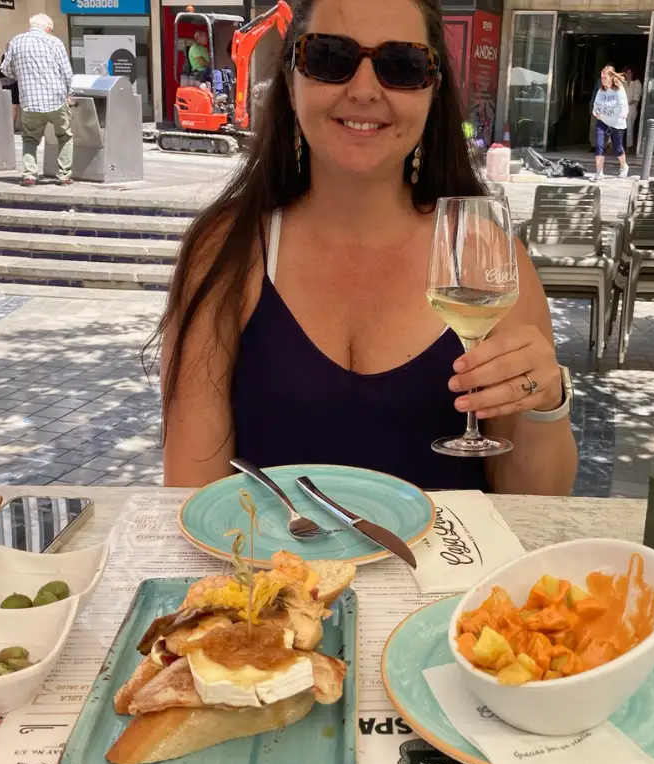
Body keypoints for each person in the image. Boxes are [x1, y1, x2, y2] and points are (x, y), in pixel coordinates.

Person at [151, 0, 577, 495]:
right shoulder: (224, 252)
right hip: (267, 571)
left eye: (403, 65)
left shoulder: (486, 255)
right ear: (290, 82)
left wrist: (547, 405)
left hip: (452, 573)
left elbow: (536, 505)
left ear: (433, 92)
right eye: (329, 58)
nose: (364, 90)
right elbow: (190, 494)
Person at [1, 14, 75, 187]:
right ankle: (64, 176)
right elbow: (66, 72)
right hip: (56, 99)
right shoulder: (54, 42)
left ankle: (29, 175)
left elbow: (5, 69)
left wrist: (23, 76)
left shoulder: (16, 41)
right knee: (64, 136)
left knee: (29, 139)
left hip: (30, 100)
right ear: (47, 28)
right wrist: (69, 93)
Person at [592, 65, 628, 180]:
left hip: (617, 122)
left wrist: (624, 113)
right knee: (599, 146)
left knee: (617, 148)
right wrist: (595, 112)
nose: (603, 80)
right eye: (601, 78)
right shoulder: (600, 91)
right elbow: (596, 105)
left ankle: (623, 166)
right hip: (602, 121)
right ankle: (599, 172)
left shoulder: (619, 89)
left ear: (612, 78)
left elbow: (624, 104)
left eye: (605, 78)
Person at [623, 66, 642, 151]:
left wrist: (627, 103)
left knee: (629, 127)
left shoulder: (637, 83)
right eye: (627, 73)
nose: (628, 75)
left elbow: (636, 97)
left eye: (630, 73)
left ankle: (628, 146)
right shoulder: (622, 83)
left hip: (631, 107)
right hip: (621, 107)